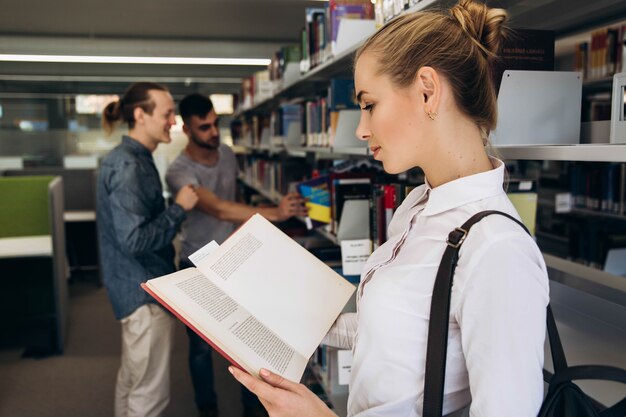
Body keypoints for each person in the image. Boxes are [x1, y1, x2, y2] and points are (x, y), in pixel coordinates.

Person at [229, 1, 550, 416]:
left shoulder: (496, 250)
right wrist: (291, 319)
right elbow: (392, 327)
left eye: (368, 104)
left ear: (427, 91)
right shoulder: (417, 204)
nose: (361, 129)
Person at [165, 93, 308, 417]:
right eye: (205, 127)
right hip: (195, 263)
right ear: (187, 129)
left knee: (245, 342)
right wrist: (274, 212)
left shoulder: (227, 153)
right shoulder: (178, 171)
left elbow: (237, 198)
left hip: (232, 260)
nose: (214, 132)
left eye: (216, 124)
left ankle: (252, 408)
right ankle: (208, 409)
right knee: (201, 348)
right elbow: (218, 207)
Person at [97, 82, 199, 417]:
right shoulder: (129, 166)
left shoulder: (130, 159)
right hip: (145, 293)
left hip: (133, 287)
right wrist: (179, 208)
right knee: (149, 397)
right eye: (168, 113)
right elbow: (134, 239)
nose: (175, 121)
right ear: (140, 115)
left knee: (132, 381)